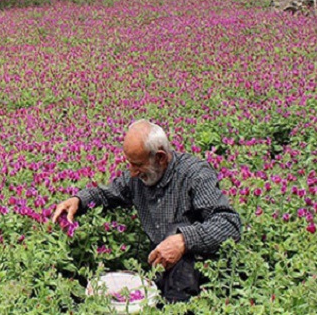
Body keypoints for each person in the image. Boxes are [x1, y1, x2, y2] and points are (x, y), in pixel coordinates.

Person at [52, 119, 241, 303]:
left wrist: (184, 240)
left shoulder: (195, 175)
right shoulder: (138, 179)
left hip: (201, 276)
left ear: (160, 157)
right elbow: (107, 194)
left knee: (180, 249)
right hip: (162, 268)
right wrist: (78, 200)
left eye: (138, 164)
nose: (132, 172)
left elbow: (229, 223)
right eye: (130, 163)